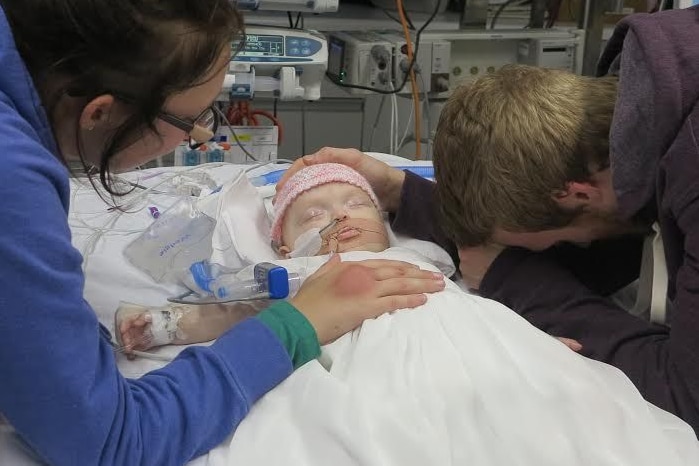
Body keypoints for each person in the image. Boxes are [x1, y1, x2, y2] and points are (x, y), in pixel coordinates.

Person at [0, 1, 445, 465]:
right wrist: (292, 326)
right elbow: (110, 441)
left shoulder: (429, 255)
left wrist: (403, 192)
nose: (198, 137)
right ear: (98, 114)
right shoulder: (11, 180)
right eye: (186, 120)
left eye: (358, 203)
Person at [277, 8, 699, 435]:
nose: (341, 218)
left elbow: (688, 398)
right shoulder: (637, 108)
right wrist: (401, 192)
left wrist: (515, 279)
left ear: (579, 195)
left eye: (540, 245)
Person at [116, 163, 399, 353]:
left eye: (357, 204)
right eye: (314, 214)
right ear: (287, 251)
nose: (341, 215)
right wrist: (163, 325)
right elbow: (236, 312)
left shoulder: (421, 255)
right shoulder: (304, 273)